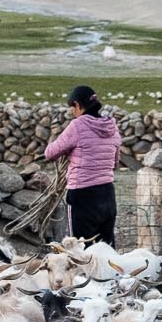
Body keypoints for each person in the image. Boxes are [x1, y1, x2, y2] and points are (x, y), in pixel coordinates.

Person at [43, 84, 122, 245]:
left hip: (82, 194)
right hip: (107, 193)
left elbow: (50, 153)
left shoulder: (78, 126)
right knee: (106, 247)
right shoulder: (112, 127)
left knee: (79, 248)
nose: (73, 112)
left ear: (78, 105)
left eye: (73, 107)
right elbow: (115, 161)